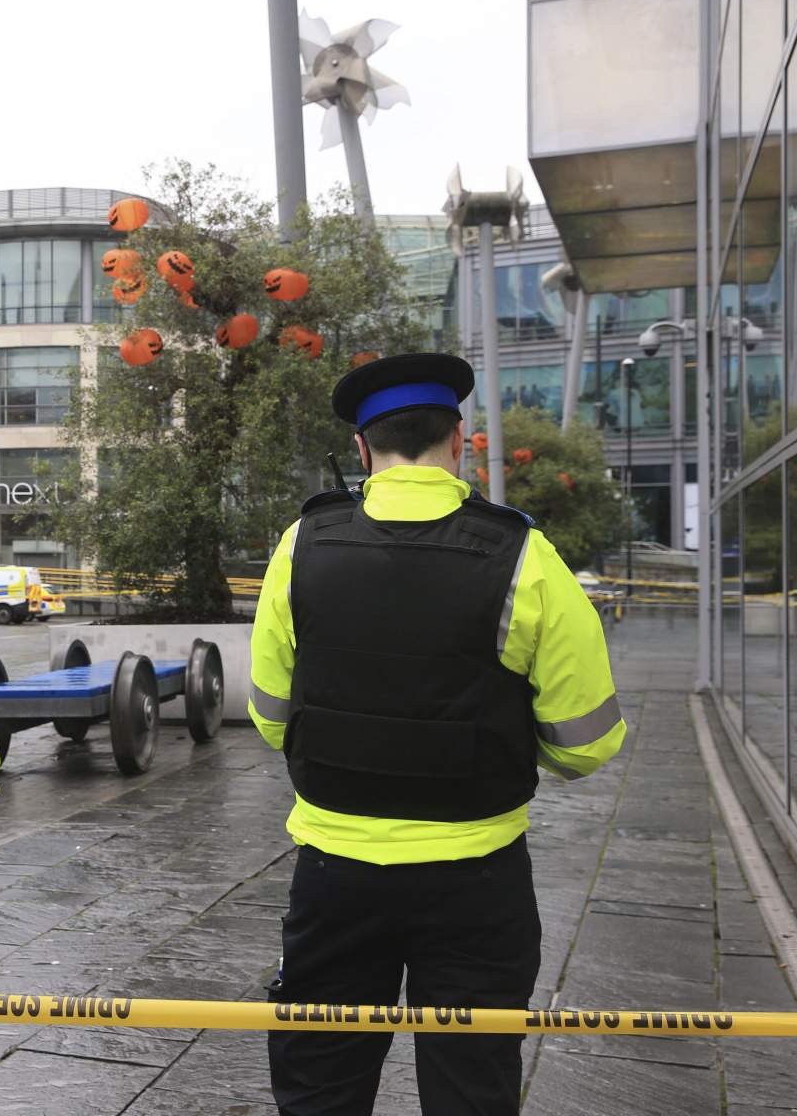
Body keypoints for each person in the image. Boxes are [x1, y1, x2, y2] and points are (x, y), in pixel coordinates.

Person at [248, 353, 626, 1116]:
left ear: (362, 448)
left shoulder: (302, 546)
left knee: (320, 1079)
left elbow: (270, 715)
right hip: (477, 878)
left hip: (334, 873)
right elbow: (586, 743)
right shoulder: (524, 555)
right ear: (460, 441)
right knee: (471, 1084)